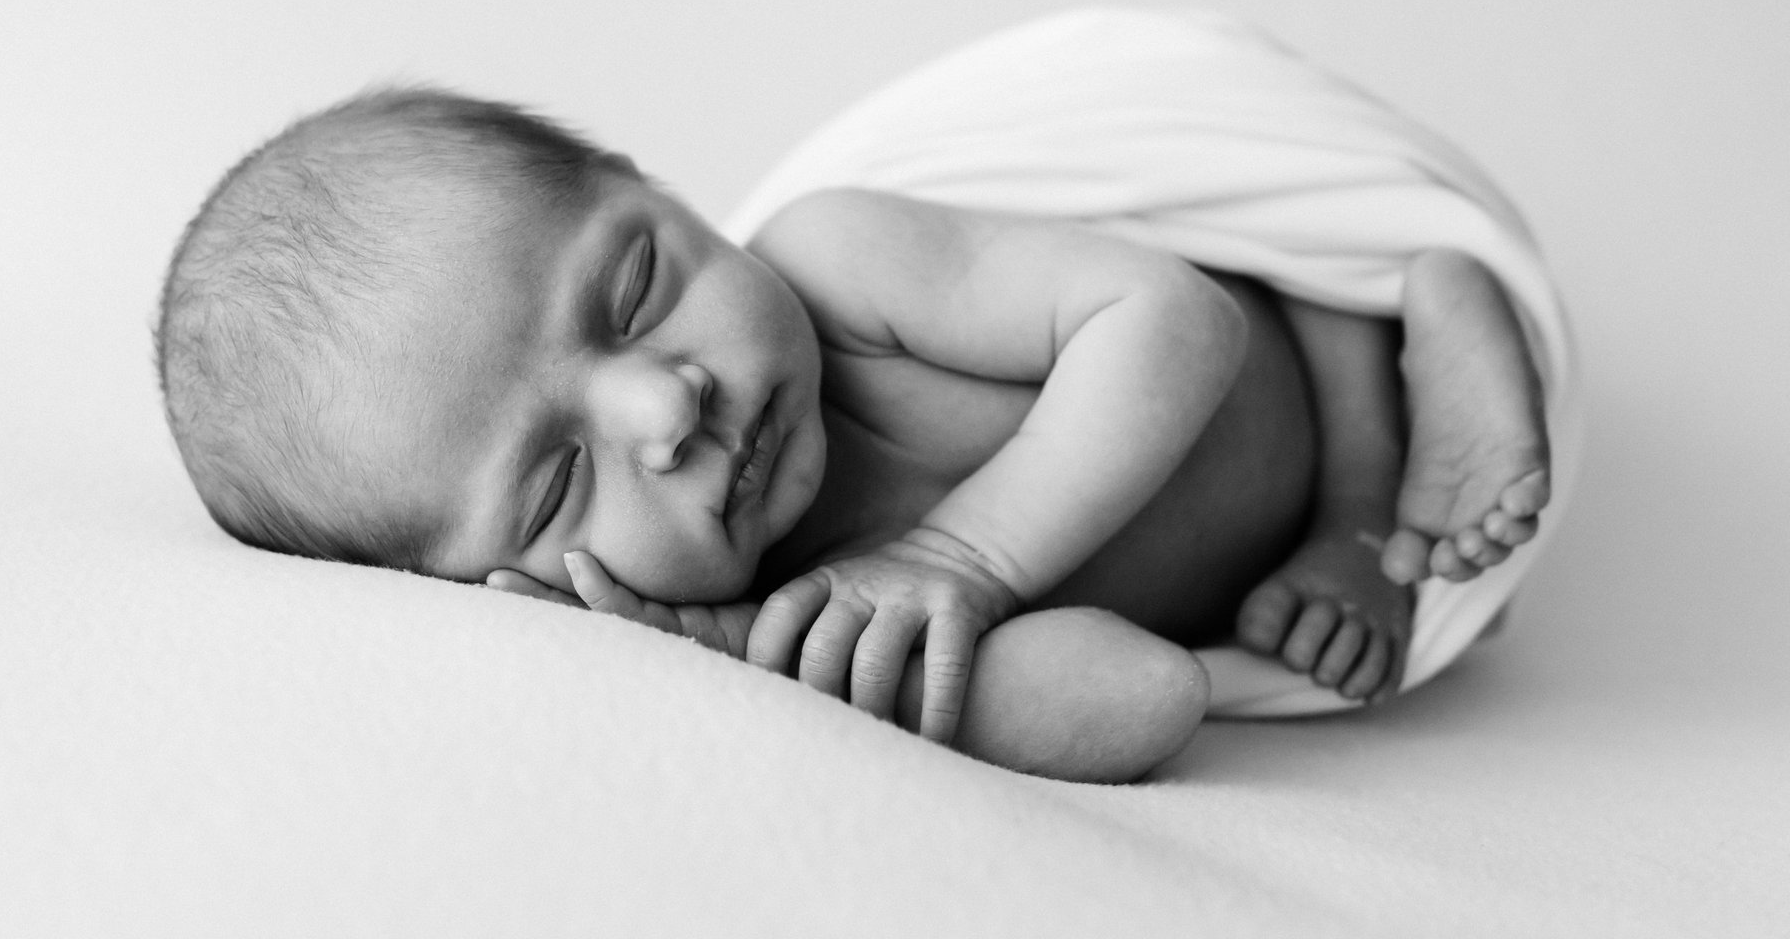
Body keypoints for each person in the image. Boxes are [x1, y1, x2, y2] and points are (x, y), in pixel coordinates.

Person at [156, 85, 1549, 783]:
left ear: (654, 189)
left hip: (1290, 331)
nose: (664, 403)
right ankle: (1363, 533)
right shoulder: (808, 621)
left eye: (633, 288)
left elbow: (1172, 317)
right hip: (1281, 539)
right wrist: (796, 680)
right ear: (505, 596)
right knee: (1402, 622)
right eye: (553, 482)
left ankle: (1421, 306)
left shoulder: (844, 270)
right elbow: (1151, 699)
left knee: (1321, 323)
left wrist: (968, 553)